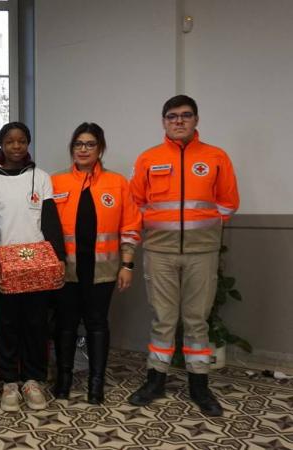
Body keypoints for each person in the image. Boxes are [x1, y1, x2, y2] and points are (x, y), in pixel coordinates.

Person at [127, 95, 239, 416]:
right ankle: (155, 380)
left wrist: (199, 230)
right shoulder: (149, 158)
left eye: (186, 115)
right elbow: (136, 204)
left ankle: (199, 386)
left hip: (201, 253)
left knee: (196, 320)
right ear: (163, 121)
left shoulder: (216, 157)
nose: (179, 121)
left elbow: (228, 204)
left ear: (196, 120)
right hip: (159, 251)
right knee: (163, 319)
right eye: (172, 116)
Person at [50, 123, 141, 404]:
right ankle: (63, 380)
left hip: (103, 271)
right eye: (78, 144)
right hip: (66, 271)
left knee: (97, 325)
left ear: (100, 148)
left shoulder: (117, 183)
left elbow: (130, 227)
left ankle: (96, 383)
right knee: (64, 325)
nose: (83, 149)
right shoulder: (56, 182)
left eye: (90, 144)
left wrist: (127, 265)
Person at [0, 122, 66, 412]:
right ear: (1, 145)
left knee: (36, 324)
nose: (16, 146)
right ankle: (9, 383)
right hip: (6, 263)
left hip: (38, 262)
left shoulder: (40, 178)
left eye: (21, 141)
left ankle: (33, 380)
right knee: (5, 325)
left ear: (28, 143)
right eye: (9, 141)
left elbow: (51, 221)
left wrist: (59, 259)